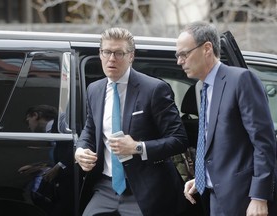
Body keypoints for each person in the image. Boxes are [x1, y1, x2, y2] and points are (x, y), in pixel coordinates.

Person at [74, 27, 189, 216]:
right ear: (100, 54)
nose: (112, 58)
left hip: (145, 188)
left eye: (119, 53)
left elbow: (179, 140)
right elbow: (90, 127)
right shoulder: (94, 89)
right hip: (105, 186)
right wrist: (80, 149)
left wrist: (138, 147)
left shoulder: (154, 89)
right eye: (107, 52)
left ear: (131, 56)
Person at [176, 21, 277, 216]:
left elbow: (263, 142)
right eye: (178, 55)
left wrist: (259, 197)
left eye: (184, 54)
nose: (179, 61)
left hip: (244, 198)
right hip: (215, 197)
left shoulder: (241, 80)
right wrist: (201, 177)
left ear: (207, 48)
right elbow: (215, 143)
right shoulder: (200, 88)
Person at [19, 104, 74, 216]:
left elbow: (76, 145)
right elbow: (58, 156)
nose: (28, 126)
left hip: (69, 182)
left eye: (27, 121)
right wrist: (37, 167)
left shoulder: (61, 124)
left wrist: (59, 166)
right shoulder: (50, 134)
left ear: (35, 115)